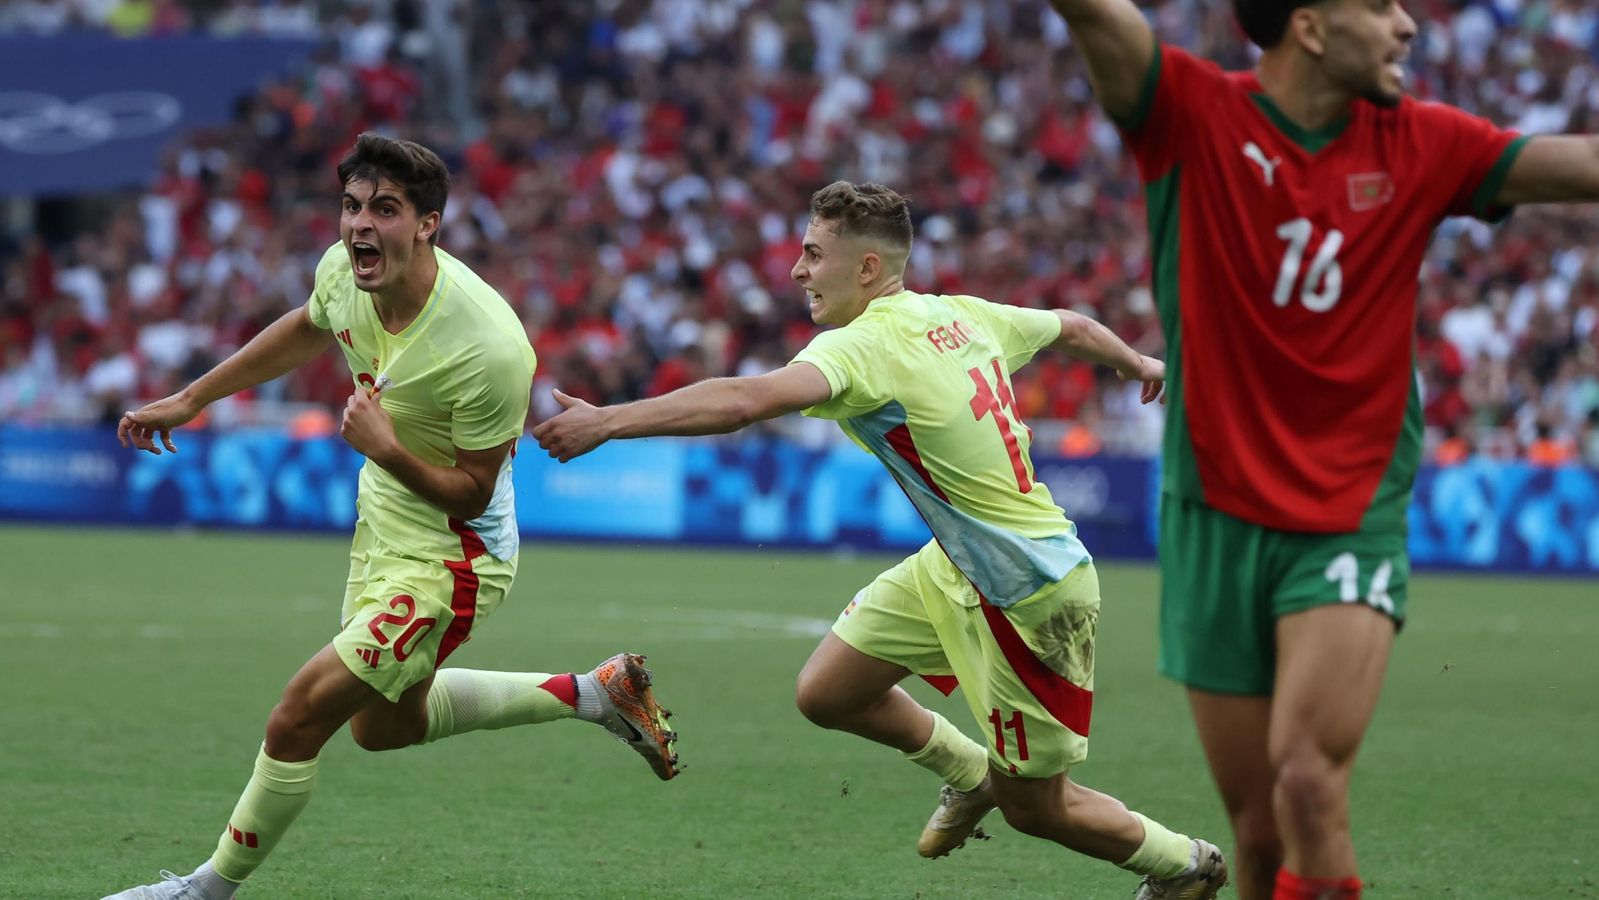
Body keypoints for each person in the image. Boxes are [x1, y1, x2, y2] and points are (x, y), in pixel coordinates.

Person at [1039, 0, 1599, 897]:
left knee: (1306, 778)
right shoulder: (1189, 114)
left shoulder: (1426, 141)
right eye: (1379, 5)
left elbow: (1584, 164)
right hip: (1214, 512)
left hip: (1349, 511)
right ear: (1308, 25)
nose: (1406, 24)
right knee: (1258, 835)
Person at [535, 181, 1229, 898]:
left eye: (814, 254)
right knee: (828, 693)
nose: (798, 270)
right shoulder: (959, 314)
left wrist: (609, 421)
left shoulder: (866, 345)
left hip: (1030, 593)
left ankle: (1186, 865)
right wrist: (1138, 362)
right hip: (957, 566)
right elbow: (1071, 327)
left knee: (1037, 809)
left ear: (867, 268)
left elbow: (745, 400)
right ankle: (969, 775)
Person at [104, 133, 679, 900]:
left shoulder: (488, 347)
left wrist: (384, 448)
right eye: (351, 207)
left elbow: (473, 494)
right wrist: (193, 397)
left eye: (384, 209)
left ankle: (204, 890)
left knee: (298, 717)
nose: (360, 226)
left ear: (427, 224)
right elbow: (310, 323)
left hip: (454, 557)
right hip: (383, 520)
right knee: (381, 728)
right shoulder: (343, 272)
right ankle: (595, 693)